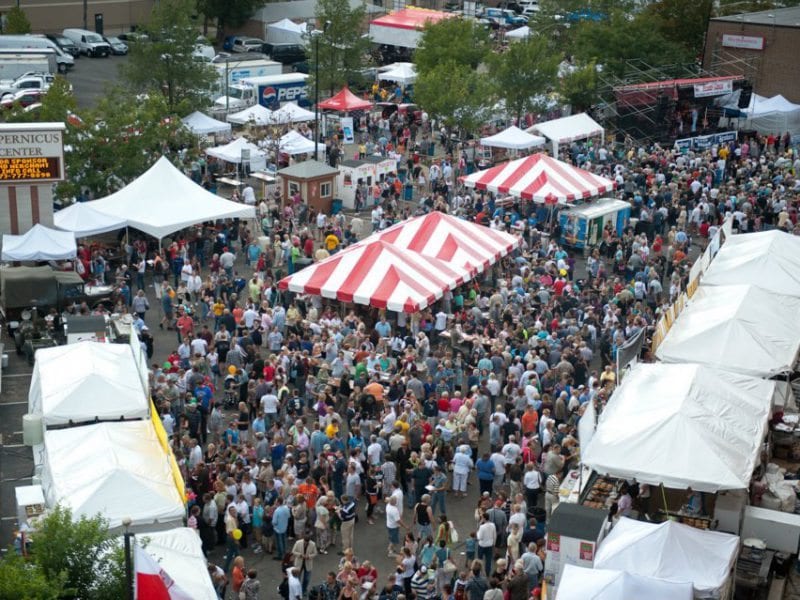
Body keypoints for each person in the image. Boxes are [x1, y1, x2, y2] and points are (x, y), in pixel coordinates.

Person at [292, 530, 318, 594]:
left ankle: (304, 590)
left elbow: (315, 553)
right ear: (303, 539)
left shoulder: (313, 544)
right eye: (305, 542)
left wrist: (309, 556)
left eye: (307, 543)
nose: (306, 544)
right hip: (299, 563)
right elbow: (293, 551)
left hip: (308, 564)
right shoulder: (298, 543)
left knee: (307, 579)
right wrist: (300, 555)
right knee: (297, 578)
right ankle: (297, 591)